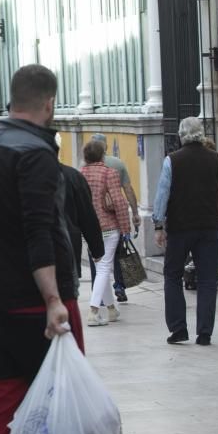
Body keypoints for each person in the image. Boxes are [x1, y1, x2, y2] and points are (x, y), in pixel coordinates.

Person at [0, 65, 95, 434]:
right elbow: (38, 231)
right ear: (49, 103)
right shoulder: (37, 154)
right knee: (65, 405)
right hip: (38, 303)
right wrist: (54, 301)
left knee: (1, 407)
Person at [152, 116, 218, 346]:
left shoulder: (172, 161)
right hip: (208, 227)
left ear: (181, 135)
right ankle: (204, 332)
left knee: (172, 275)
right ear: (201, 134)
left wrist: (158, 225)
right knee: (207, 279)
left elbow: (162, 195)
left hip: (180, 228)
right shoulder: (217, 160)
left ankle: (178, 328)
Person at [80, 139, 132, 327]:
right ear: (102, 154)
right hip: (109, 227)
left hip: (88, 228)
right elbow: (119, 202)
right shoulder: (109, 173)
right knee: (104, 268)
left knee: (102, 265)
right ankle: (93, 312)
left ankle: (111, 309)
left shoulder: (81, 173)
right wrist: (126, 228)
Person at [88, 133, 141, 303]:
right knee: (118, 254)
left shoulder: (84, 169)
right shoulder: (116, 165)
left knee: (97, 260)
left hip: (93, 223)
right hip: (113, 221)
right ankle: (119, 286)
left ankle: (100, 295)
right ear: (106, 147)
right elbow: (127, 191)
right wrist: (134, 213)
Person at [60, 163, 104, 285]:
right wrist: (97, 249)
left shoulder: (20, 175)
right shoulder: (72, 175)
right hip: (67, 246)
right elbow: (87, 214)